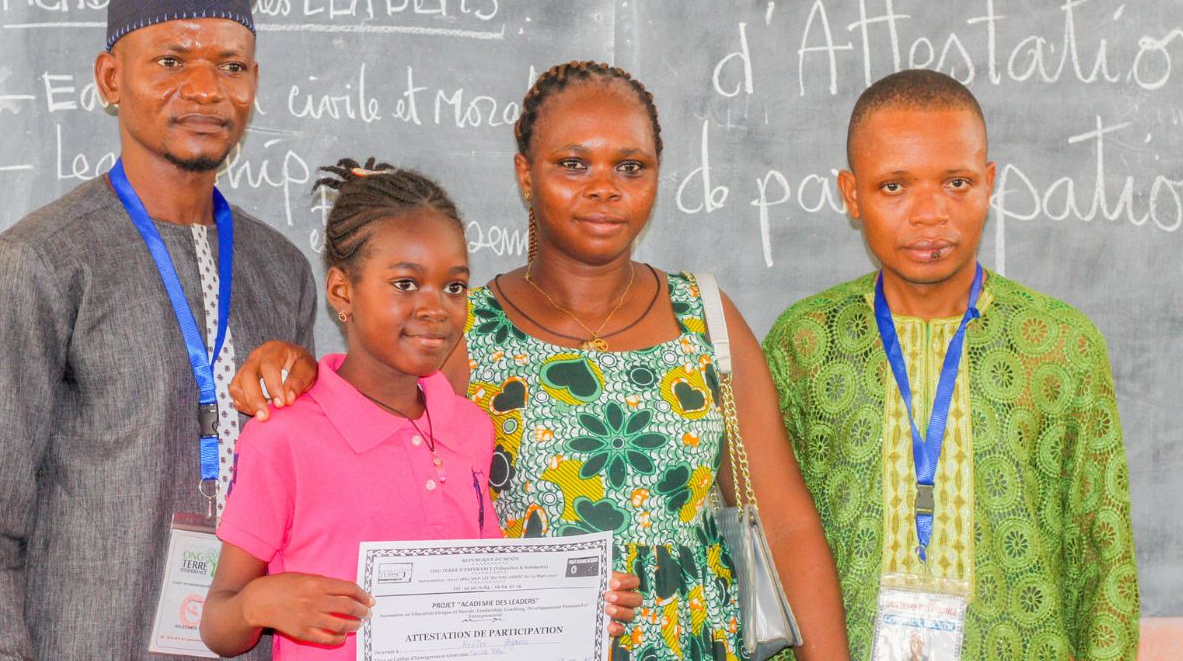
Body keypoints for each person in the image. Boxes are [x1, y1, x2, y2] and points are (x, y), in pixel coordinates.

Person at [233, 61, 850, 660]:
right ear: (525, 175)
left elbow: (787, 526)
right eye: (573, 164)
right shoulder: (457, 327)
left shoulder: (705, 317)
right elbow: (364, 444)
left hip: (694, 641)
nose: (604, 187)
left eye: (630, 166)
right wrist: (296, 366)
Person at [0, 0, 316, 659]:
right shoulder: (38, 265)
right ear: (111, 78)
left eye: (232, 66)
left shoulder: (283, 271)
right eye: (171, 61)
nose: (206, 88)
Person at [763, 69, 1139, 660]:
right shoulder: (806, 343)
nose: (930, 213)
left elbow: (1104, 563)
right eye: (894, 187)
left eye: (957, 182)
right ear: (851, 194)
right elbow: (770, 547)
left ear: (989, 184)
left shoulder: (1061, 345)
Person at [200, 158, 642, 659]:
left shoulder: (469, 427)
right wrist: (259, 603)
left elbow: (484, 598)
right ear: (343, 291)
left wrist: (573, 606)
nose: (436, 308)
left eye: (454, 286)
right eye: (406, 284)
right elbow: (218, 623)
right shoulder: (284, 437)